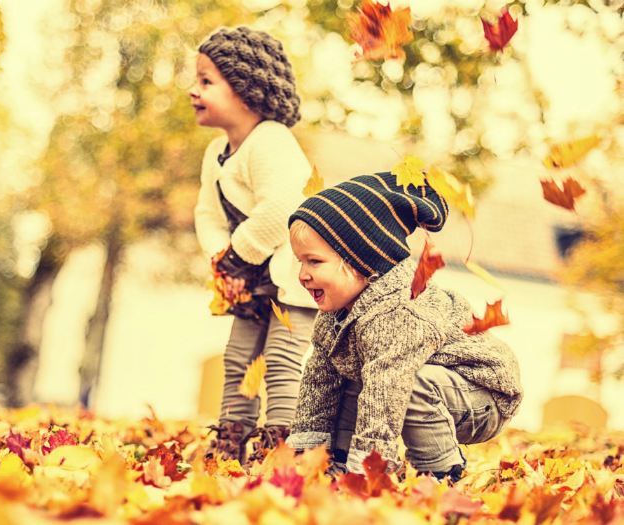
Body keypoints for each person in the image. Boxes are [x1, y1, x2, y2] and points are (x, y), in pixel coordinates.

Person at [285, 171, 523, 482]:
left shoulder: (400, 310)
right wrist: (308, 454)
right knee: (347, 377)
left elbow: (387, 387)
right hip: (426, 387)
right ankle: (337, 468)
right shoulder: (336, 313)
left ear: (360, 262)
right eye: (300, 262)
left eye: (314, 262)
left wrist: (370, 469)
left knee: (409, 382)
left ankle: (440, 475)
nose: (302, 274)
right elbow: (319, 381)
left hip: (482, 395)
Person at [190, 26, 317, 464]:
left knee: (282, 360)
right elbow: (207, 212)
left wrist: (238, 255)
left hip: (294, 274)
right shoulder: (217, 153)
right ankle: (231, 438)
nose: (194, 90)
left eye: (207, 81)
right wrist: (218, 255)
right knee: (239, 358)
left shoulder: (271, 141)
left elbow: (283, 205)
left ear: (245, 91)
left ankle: (282, 446)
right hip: (248, 276)